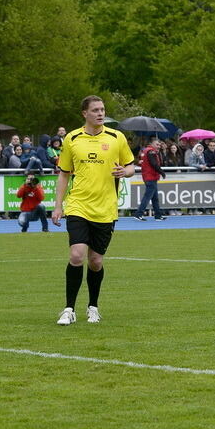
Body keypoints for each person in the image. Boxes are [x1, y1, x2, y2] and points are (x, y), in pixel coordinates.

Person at [52, 95, 136, 325]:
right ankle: (69, 309)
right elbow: (64, 173)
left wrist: (125, 172)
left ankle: (93, 306)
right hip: (78, 205)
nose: (100, 113)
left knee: (96, 262)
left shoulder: (116, 137)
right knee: (76, 255)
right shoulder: (72, 138)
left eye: (102, 109)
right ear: (85, 113)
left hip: (105, 208)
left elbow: (131, 166)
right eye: (96, 110)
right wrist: (58, 205)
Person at [133, 137, 166, 221]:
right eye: (157, 144)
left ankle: (158, 215)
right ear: (152, 144)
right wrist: (161, 172)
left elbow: (143, 162)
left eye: (159, 145)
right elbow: (154, 164)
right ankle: (139, 213)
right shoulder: (151, 152)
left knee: (155, 198)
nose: (159, 146)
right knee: (147, 197)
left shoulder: (146, 151)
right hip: (150, 177)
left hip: (149, 177)